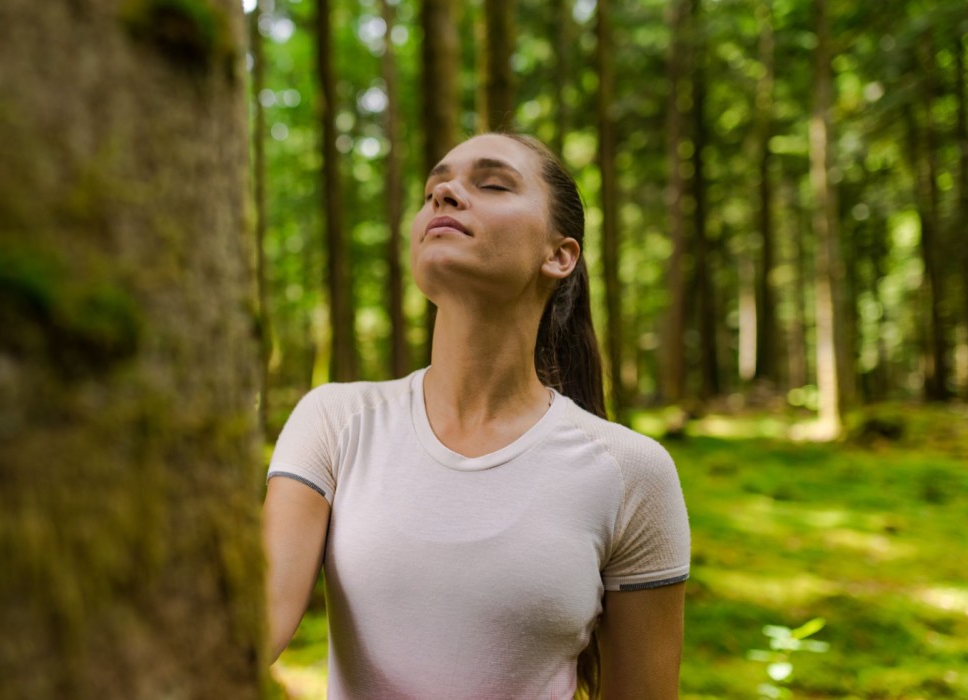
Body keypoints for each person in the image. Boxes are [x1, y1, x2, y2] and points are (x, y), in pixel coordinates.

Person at [262, 133, 690, 699]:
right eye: (433, 187)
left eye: (491, 184)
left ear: (559, 255)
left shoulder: (633, 472)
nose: (444, 193)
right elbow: (254, 621)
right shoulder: (335, 420)